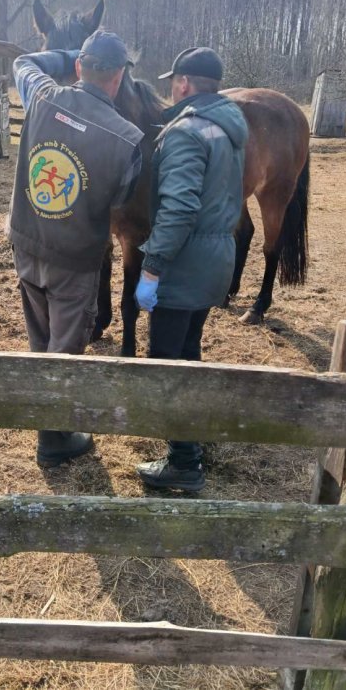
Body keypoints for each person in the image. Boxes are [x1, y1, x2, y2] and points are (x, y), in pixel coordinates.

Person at [8, 31, 144, 468]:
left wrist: (67, 54)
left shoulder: (42, 95)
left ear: (81, 68)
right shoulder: (129, 140)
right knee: (65, 348)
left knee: (40, 334)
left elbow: (24, 61)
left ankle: (49, 418)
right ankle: (53, 439)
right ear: (120, 77)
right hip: (74, 258)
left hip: (27, 244)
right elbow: (119, 202)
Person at [134, 47, 248, 492]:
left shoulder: (186, 132)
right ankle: (193, 436)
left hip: (184, 263)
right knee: (189, 352)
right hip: (217, 257)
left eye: (172, 82)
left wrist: (153, 267)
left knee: (166, 364)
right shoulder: (229, 126)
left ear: (182, 83)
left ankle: (184, 461)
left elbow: (179, 209)